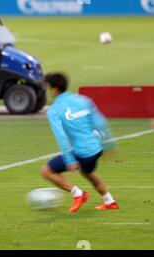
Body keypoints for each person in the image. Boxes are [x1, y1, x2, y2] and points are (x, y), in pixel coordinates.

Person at [40, 72, 119, 212]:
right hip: (96, 149)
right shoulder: (83, 100)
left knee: (47, 171)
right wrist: (108, 145)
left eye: (48, 87)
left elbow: (61, 137)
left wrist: (70, 160)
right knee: (87, 171)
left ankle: (78, 194)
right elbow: (100, 122)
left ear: (55, 89)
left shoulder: (54, 111)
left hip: (82, 152)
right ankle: (109, 200)